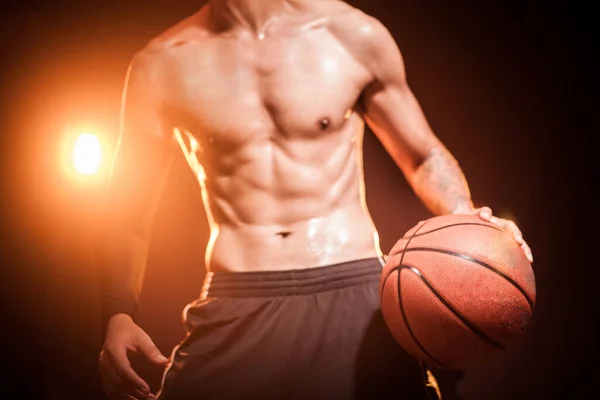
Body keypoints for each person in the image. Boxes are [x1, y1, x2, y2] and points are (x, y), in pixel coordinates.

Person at [97, 1, 534, 399]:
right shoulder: (160, 64)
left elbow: (421, 154)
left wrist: (465, 219)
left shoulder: (350, 34)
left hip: (353, 287)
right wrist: (118, 313)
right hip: (239, 291)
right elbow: (127, 213)